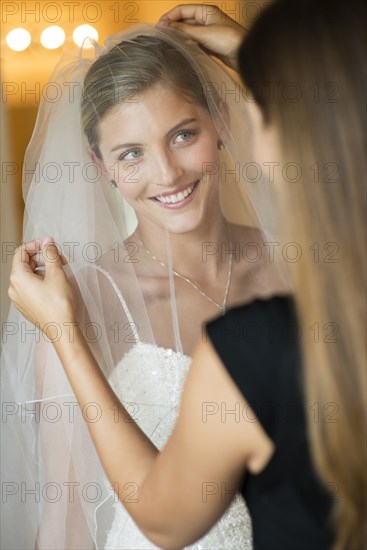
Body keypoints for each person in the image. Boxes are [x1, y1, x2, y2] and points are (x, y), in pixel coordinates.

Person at [6, 0, 366, 549]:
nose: (167, 173)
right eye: (130, 154)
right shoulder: (80, 305)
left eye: (182, 135)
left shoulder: (306, 263)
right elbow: (65, 520)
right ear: (101, 167)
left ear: (221, 122)